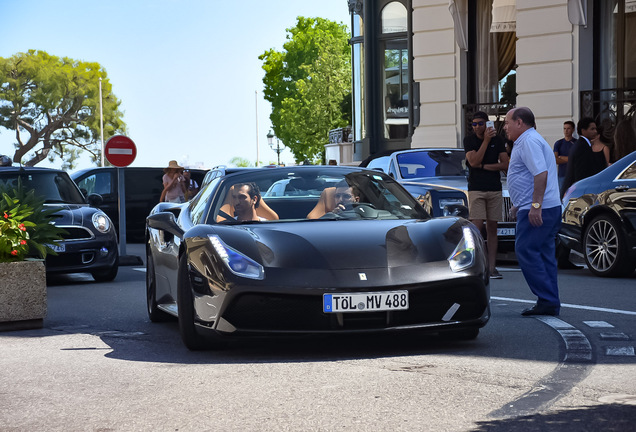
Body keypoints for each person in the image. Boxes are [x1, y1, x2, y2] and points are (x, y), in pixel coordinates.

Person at [504, 107, 562, 316]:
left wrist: (535, 206)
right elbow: (531, 178)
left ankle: (547, 300)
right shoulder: (532, 139)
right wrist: (519, 204)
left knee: (526, 250)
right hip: (546, 206)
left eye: (507, 122)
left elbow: (540, 174)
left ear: (519, 122)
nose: (505, 127)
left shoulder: (528, 141)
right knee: (544, 254)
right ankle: (549, 301)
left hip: (540, 209)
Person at [463, 111, 509, 279]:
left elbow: (506, 164)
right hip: (476, 188)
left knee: (492, 229)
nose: (477, 127)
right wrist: (486, 141)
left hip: (494, 188)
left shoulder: (498, 140)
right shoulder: (469, 140)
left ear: (487, 124)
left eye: (480, 123)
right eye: (474, 124)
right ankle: (476, 265)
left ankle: (492, 267)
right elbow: (474, 161)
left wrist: (485, 167)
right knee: (476, 228)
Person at [560, 117, 605, 197]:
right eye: (592, 129)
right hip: (579, 193)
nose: (595, 131)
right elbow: (581, 174)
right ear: (583, 130)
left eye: (595, 129)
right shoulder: (582, 147)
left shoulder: (583, 145)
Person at [553, 120, 576, 191]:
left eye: (568, 128)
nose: (566, 131)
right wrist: (570, 159)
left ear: (573, 130)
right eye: (564, 128)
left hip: (574, 175)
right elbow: (556, 160)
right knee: (562, 195)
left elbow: (577, 159)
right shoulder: (558, 143)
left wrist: (562, 157)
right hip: (562, 175)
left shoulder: (576, 143)